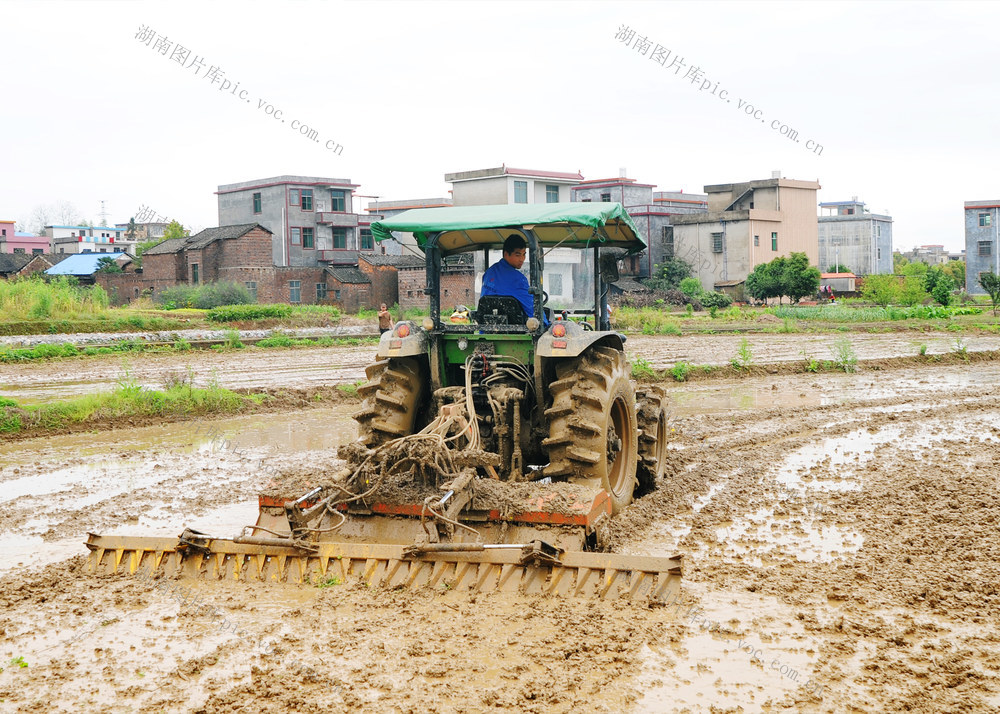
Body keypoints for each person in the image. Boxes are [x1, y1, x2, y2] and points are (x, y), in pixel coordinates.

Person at [480, 234, 547, 324]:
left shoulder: (488, 273)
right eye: (518, 255)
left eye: (524, 255)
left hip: (485, 330)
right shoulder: (518, 279)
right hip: (515, 331)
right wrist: (545, 323)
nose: (522, 259)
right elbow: (533, 308)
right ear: (506, 254)